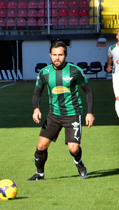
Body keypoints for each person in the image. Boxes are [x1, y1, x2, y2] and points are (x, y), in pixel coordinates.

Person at [28, 41, 95, 181]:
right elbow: (36, 93)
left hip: (72, 114)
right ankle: (39, 173)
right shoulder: (44, 72)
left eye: (60, 55)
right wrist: (36, 109)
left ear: (66, 55)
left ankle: (78, 162)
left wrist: (89, 112)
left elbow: (88, 90)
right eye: (54, 55)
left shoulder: (75, 71)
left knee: (73, 149)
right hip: (54, 115)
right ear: (50, 55)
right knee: (41, 145)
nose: (57, 58)